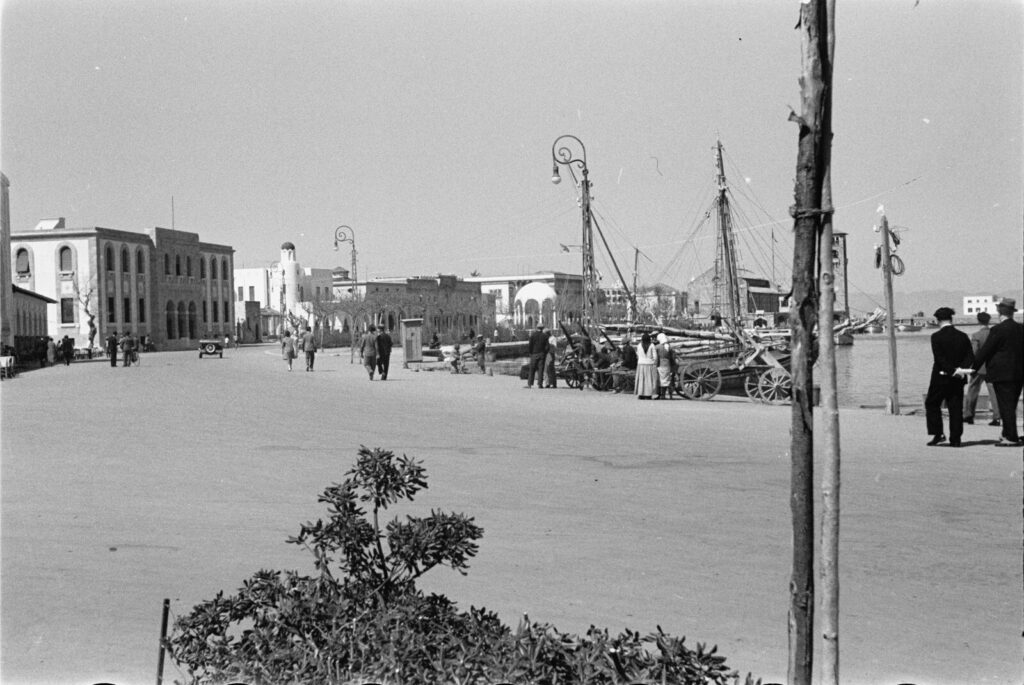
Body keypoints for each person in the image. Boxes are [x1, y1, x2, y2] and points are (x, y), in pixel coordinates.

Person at [968, 297, 1023, 446]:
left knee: (1005, 405)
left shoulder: (998, 330)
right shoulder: (1021, 328)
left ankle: (1011, 437)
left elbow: (986, 351)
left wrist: (973, 368)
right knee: (1011, 404)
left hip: (1001, 373)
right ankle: (1006, 433)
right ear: (1012, 312)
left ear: (999, 312)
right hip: (1019, 373)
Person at [924, 307, 973, 447]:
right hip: (959, 377)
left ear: (938, 320)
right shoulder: (963, 336)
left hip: (940, 377)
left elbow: (939, 358)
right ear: (951, 319)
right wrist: (960, 369)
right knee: (955, 407)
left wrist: (951, 371)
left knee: (932, 403)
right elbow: (970, 356)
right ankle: (956, 439)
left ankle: (938, 433)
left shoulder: (936, 336)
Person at [963, 311, 1000, 426]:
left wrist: (969, 366)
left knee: (973, 391)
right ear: (989, 320)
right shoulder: (995, 334)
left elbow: (974, 352)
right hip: (993, 368)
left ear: (978, 321)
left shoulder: (976, 335)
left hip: (979, 368)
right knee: (994, 393)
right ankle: (997, 417)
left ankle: (969, 415)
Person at [634, 332, 659, 400]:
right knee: (649, 380)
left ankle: (641, 394)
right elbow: (655, 357)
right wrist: (654, 363)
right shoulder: (652, 345)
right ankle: (648, 395)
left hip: (641, 364)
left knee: (641, 380)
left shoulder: (639, 345)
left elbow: (638, 354)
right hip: (649, 364)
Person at [525, 323, 549, 389]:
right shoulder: (545, 336)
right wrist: (544, 352)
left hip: (534, 354)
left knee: (532, 369)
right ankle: (540, 384)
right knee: (541, 369)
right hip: (542, 354)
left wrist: (530, 353)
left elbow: (530, 345)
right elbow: (547, 346)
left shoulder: (533, 335)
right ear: (542, 328)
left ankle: (530, 384)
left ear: (537, 328)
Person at [655, 333, 676, 399]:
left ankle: (661, 395)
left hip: (660, 365)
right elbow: (673, 357)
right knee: (666, 380)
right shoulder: (669, 347)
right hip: (667, 365)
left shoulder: (657, 347)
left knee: (660, 380)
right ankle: (668, 395)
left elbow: (656, 357)